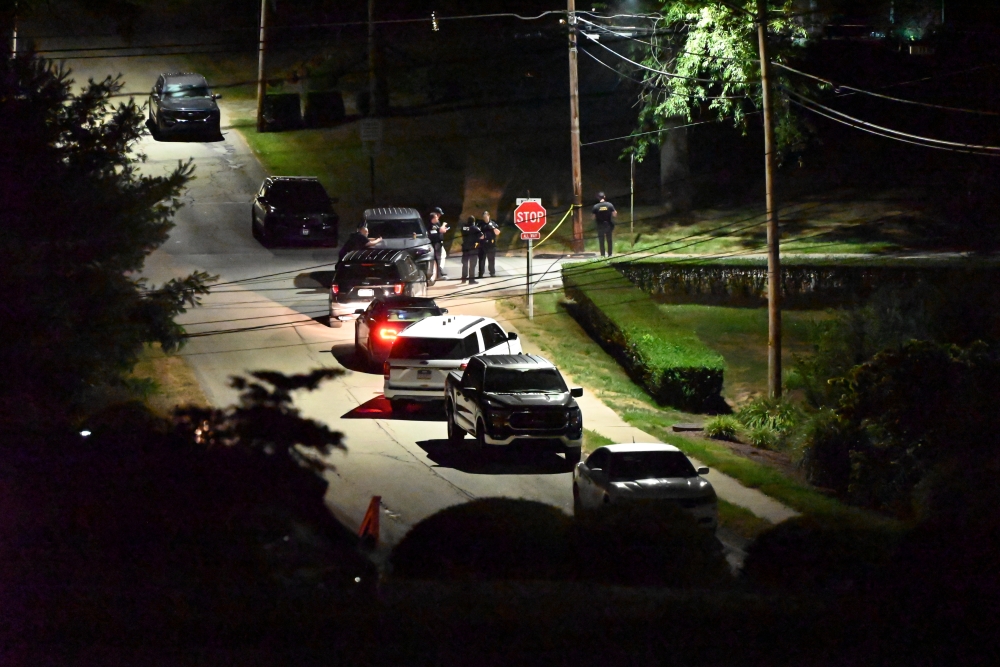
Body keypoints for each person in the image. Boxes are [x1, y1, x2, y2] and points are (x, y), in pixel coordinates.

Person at [476, 210, 501, 278]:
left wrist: (493, 227)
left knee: (491, 259)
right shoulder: (480, 224)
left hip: (491, 244)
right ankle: (481, 273)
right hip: (482, 244)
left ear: (489, 216)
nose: (485, 218)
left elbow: (498, 233)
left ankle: (492, 273)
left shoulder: (493, 223)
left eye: (486, 216)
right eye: (484, 217)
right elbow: (476, 232)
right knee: (481, 259)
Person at [592, 192, 617, 257]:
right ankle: (610, 254)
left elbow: (593, 217)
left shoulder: (596, 206)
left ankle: (602, 255)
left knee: (601, 240)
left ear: (598, 198)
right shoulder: (609, 205)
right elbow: (615, 214)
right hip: (608, 224)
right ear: (604, 197)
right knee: (609, 240)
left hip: (600, 225)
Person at [460, 215, 484, 284]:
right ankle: (471, 280)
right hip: (473, 248)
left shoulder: (463, 227)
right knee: (472, 264)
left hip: (465, 247)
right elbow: (482, 236)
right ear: (474, 221)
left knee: (465, 263)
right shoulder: (475, 228)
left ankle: (463, 279)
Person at [427, 208, 450, 279]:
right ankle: (438, 274)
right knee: (438, 259)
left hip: (439, 243)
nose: (438, 217)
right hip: (435, 244)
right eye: (436, 216)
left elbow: (440, 231)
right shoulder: (432, 225)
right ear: (433, 218)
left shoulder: (437, 223)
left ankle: (440, 271)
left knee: (441, 257)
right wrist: (443, 225)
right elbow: (439, 230)